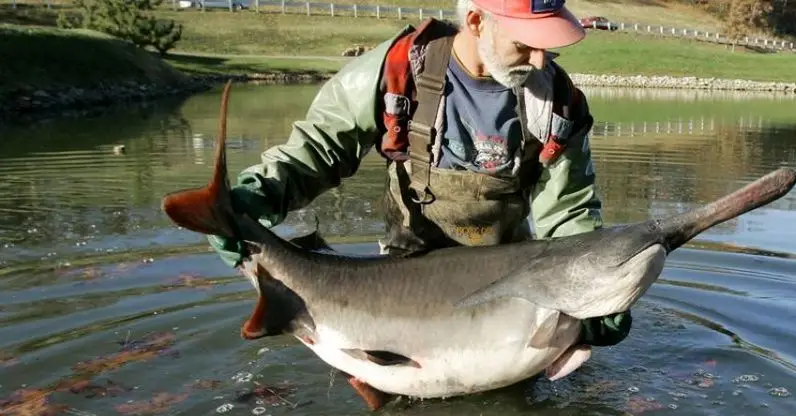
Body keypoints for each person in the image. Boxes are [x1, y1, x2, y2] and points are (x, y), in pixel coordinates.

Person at [207, 0, 631, 347]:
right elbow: (316, 150)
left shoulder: (557, 104)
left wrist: (593, 295)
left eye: (547, 44)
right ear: (476, 21)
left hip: (507, 303)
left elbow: (568, 213)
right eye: (525, 43)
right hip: (397, 293)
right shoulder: (396, 73)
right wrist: (257, 195)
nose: (540, 59)